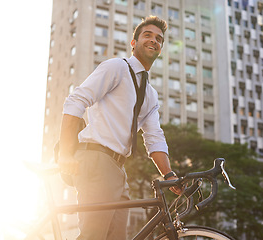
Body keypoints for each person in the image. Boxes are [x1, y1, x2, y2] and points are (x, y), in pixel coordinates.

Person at [58, 15, 181, 240]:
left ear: (161, 48)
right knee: (93, 236)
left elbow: (154, 137)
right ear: (133, 43)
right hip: (97, 159)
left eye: (159, 38)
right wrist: (66, 153)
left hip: (119, 169)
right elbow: (75, 101)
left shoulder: (151, 95)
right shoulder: (117, 67)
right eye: (147, 35)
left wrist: (169, 174)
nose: (154, 40)